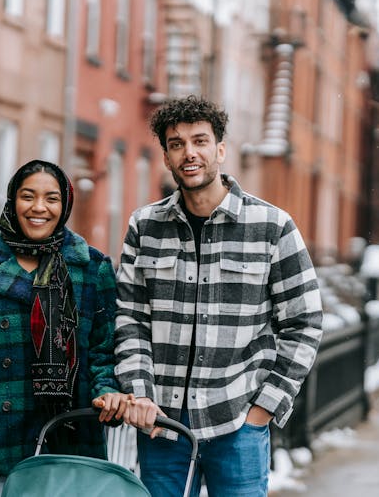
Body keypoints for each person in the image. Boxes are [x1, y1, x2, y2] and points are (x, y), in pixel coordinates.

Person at [114, 95, 324, 496]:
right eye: (177, 144)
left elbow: (305, 322)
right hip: (163, 427)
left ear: (220, 150)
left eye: (200, 141)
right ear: (166, 157)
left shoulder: (272, 226)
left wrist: (263, 410)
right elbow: (130, 321)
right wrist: (140, 397)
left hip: (238, 423)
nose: (189, 153)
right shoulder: (145, 227)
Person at [0, 160, 131, 496]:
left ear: (64, 206)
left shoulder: (91, 269)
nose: (39, 208)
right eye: (28, 196)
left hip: (70, 445)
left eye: (51, 198)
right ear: (12, 200)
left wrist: (104, 393)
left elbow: (104, 351)